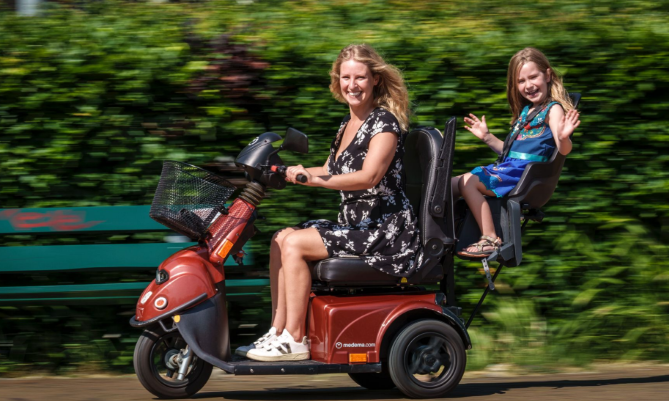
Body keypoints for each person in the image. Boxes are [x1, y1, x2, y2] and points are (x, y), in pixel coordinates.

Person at [236, 44, 421, 362]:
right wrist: (295, 172)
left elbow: (369, 177)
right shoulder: (346, 125)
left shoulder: (385, 124)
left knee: (295, 244)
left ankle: (295, 339)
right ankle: (278, 331)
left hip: (384, 231)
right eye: (346, 77)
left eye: (360, 77)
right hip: (356, 224)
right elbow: (332, 170)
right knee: (281, 238)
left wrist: (314, 180)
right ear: (338, 80)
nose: (353, 85)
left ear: (374, 79)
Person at [453, 47, 581, 258]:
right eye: (521, 81)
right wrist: (487, 137)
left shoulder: (553, 109)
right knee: (447, 184)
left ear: (547, 75)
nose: (528, 85)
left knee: (468, 182)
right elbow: (510, 152)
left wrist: (565, 137)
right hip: (509, 167)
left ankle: (490, 238)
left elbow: (562, 150)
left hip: (521, 175)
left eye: (533, 77)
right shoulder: (527, 111)